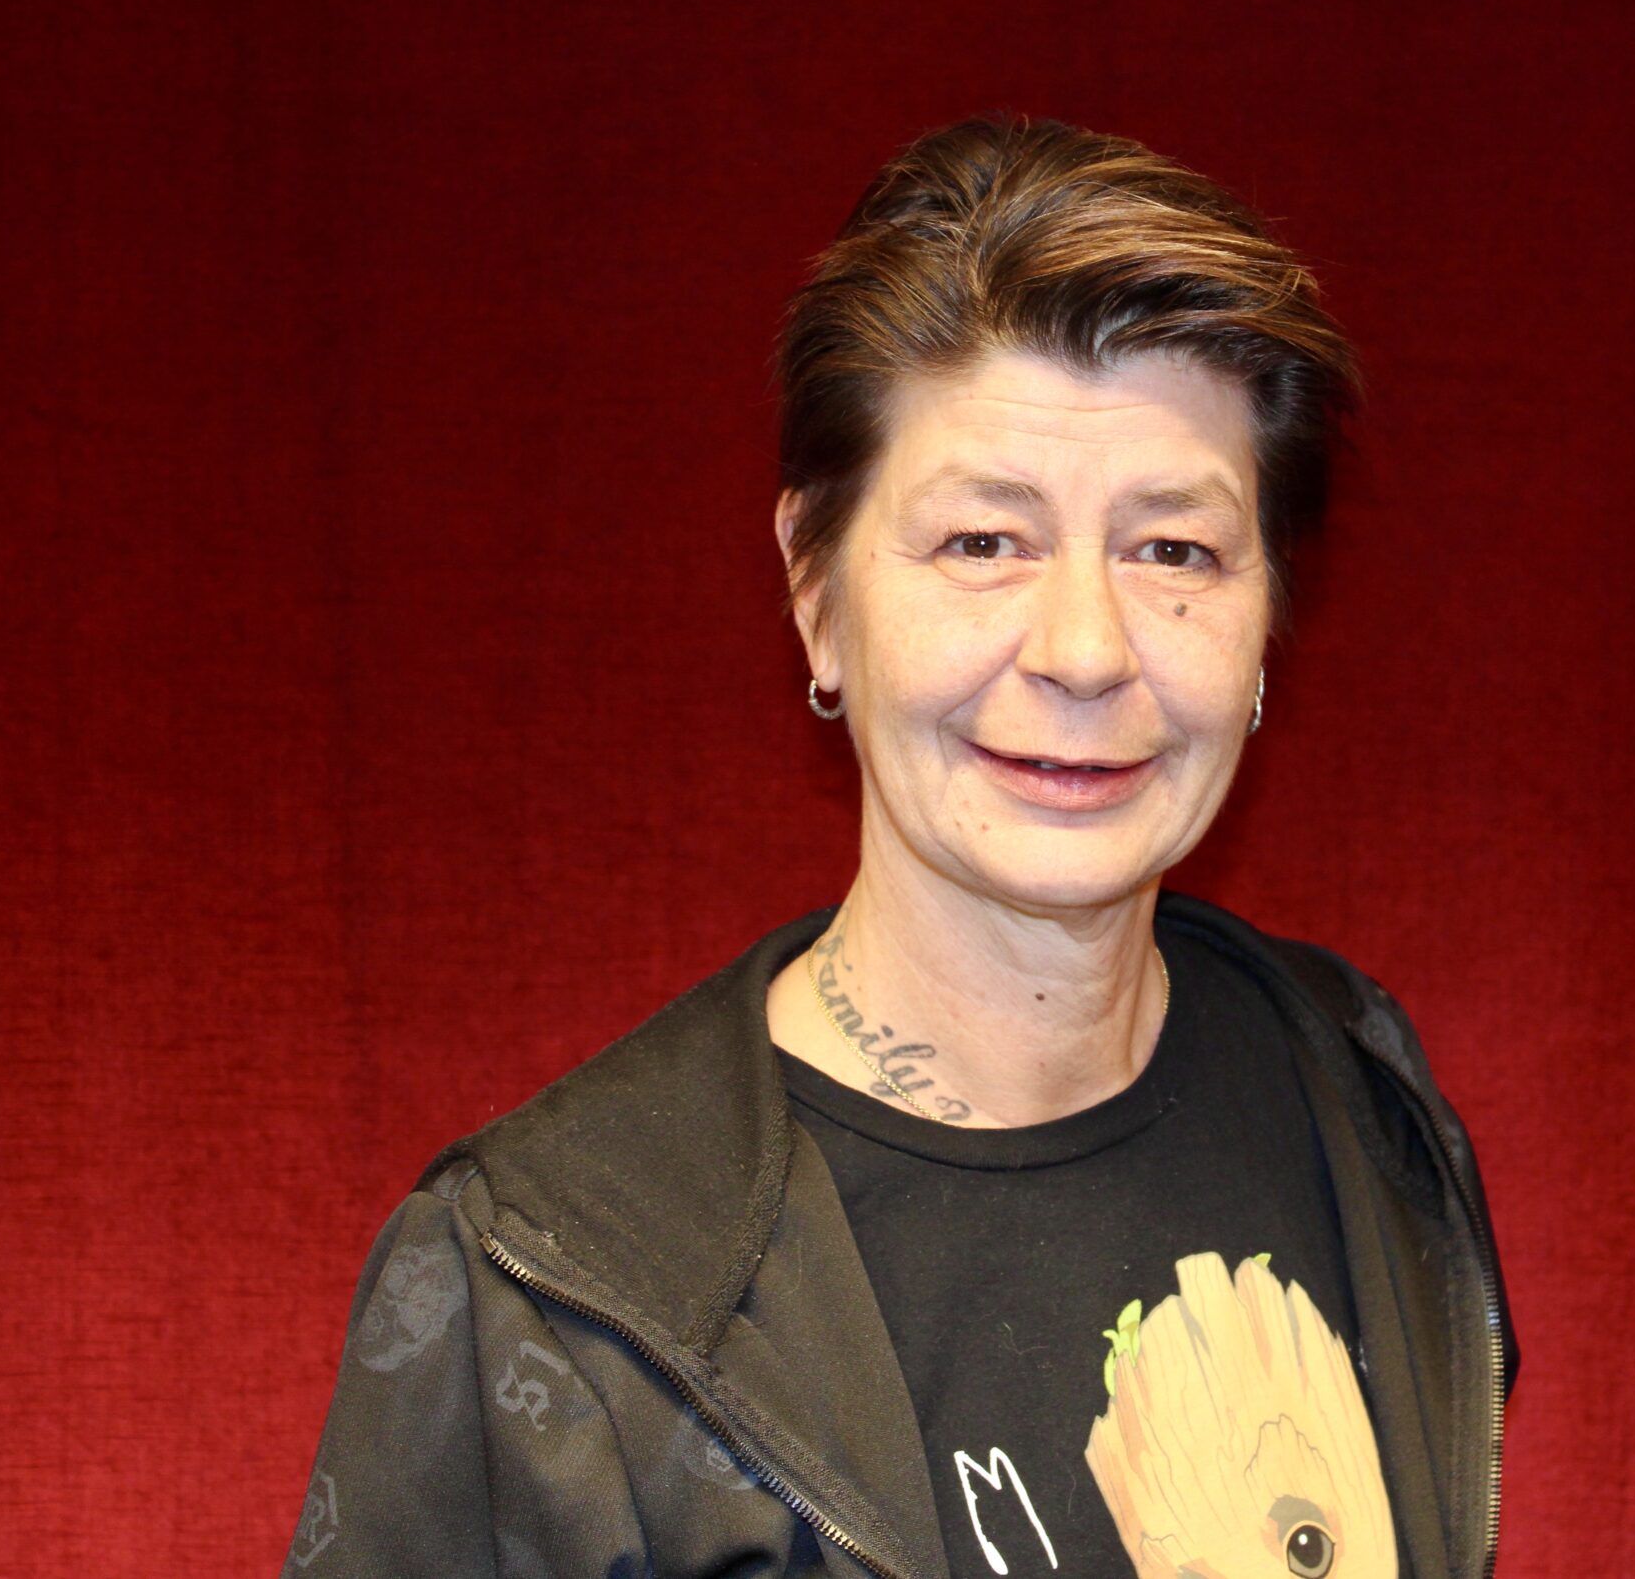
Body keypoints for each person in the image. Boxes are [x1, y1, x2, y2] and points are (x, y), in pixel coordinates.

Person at [284, 117, 1513, 1579]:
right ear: (817, 596)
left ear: (1266, 621)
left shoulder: (1359, 1090)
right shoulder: (550, 1284)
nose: (1084, 650)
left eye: (1174, 550)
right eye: (983, 542)